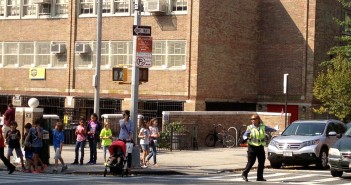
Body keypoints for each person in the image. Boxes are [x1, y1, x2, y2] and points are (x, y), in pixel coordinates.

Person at [241, 114, 278, 182]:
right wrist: (245, 138)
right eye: (251, 119)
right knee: (251, 162)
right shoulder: (250, 128)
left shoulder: (263, 126)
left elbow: (270, 129)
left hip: (260, 146)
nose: (252, 121)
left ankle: (259, 177)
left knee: (261, 162)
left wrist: (275, 129)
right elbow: (245, 135)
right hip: (252, 147)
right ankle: (244, 173)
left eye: (254, 119)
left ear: (258, 119)